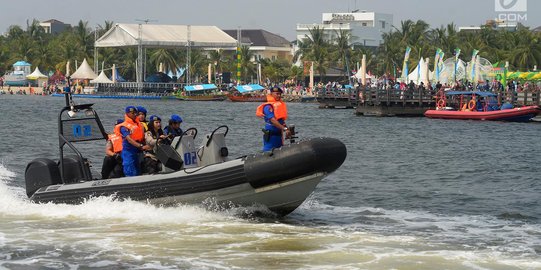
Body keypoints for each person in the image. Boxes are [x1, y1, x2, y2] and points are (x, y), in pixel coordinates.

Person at [118, 106, 151, 176]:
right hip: (128, 150)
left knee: (138, 169)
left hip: (137, 151)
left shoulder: (139, 124)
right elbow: (129, 140)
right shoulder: (124, 126)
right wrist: (141, 146)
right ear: (127, 114)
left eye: (136, 113)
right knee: (130, 169)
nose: (135, 114)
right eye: (133, 113)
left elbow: (142, 137)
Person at [256, 86, 291, 152]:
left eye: (280, 94)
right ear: (271, 94)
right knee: (269, 152)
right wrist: (284, 129)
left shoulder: (278, 106)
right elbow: (273, 120)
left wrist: (286, 129)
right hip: (271, 136)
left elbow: (281, 120)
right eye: (277, 94)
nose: (279, 95)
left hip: (279, 135)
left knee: (280, 151)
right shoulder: (268, 106)